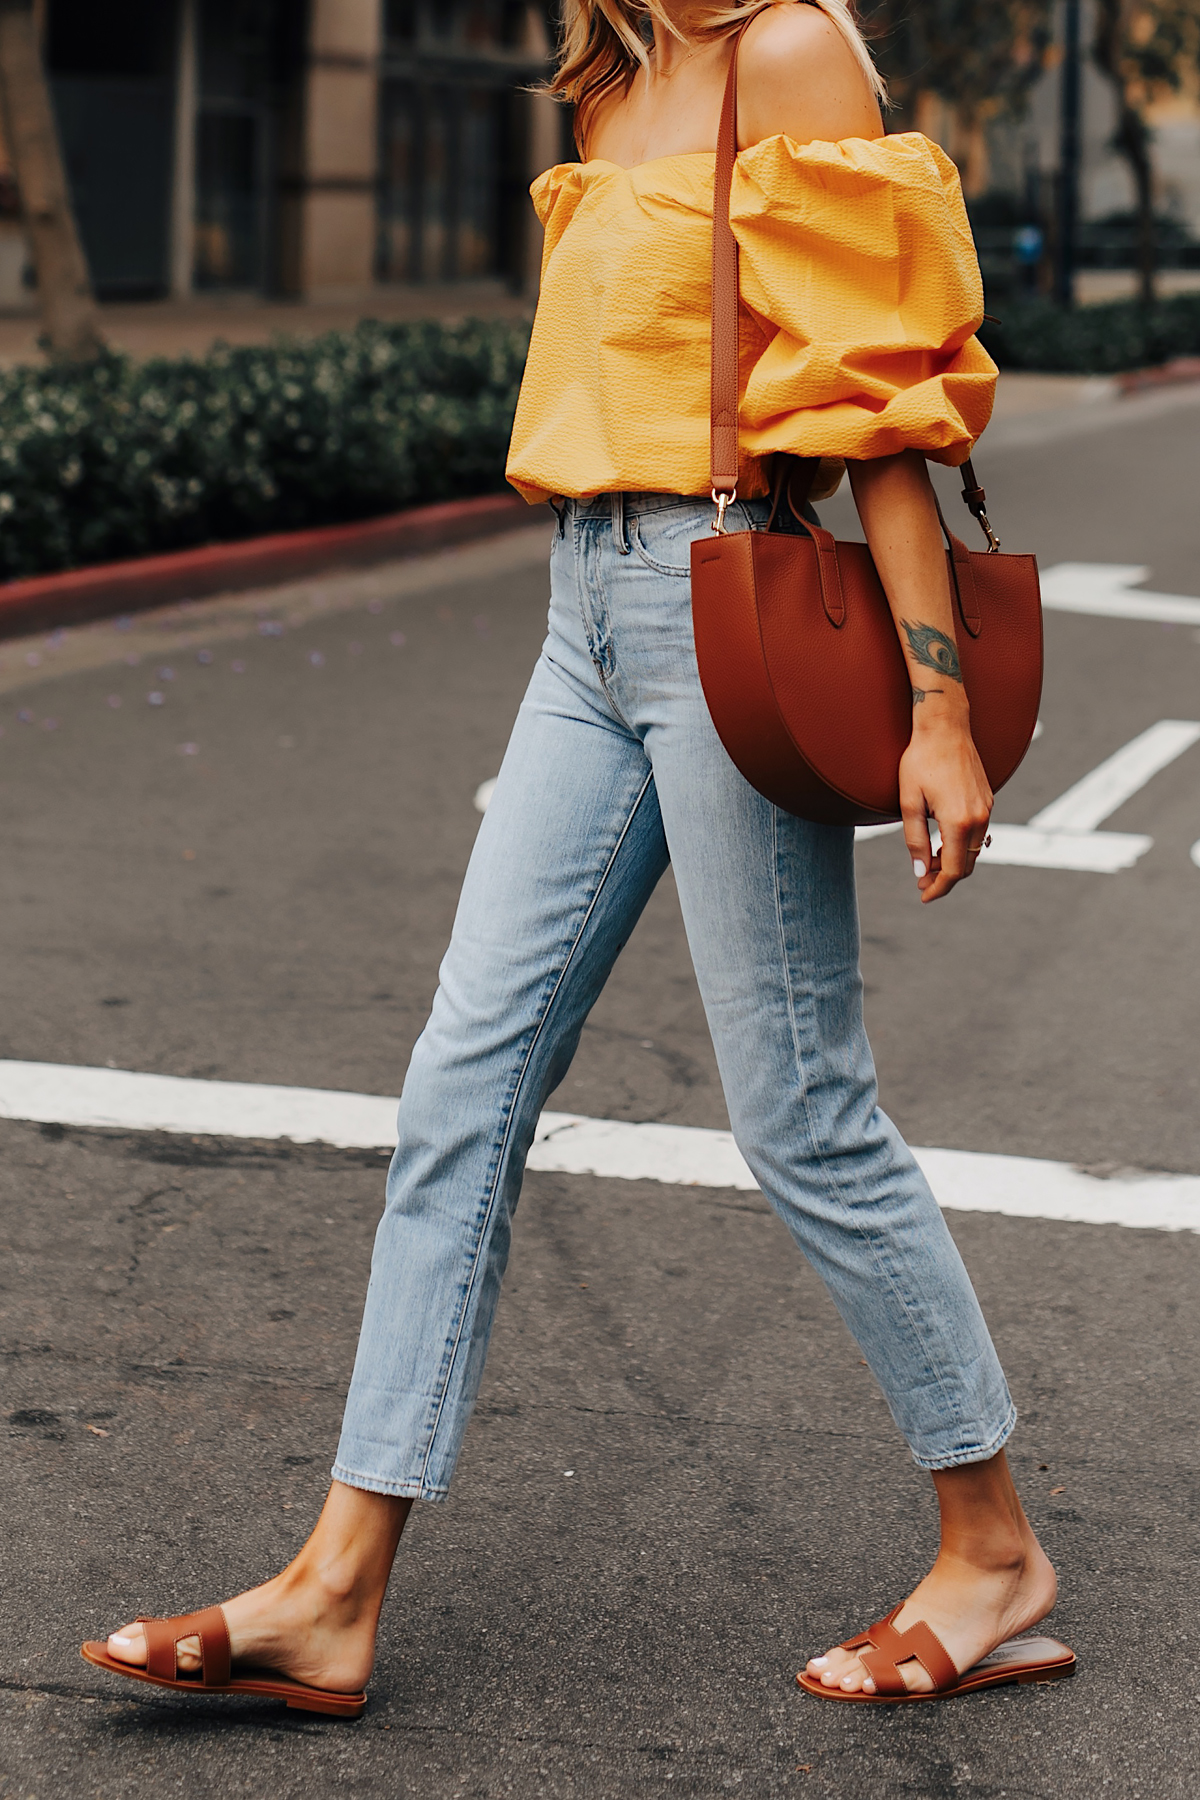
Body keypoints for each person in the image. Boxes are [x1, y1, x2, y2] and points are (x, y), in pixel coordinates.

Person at [83, 0, 1073, 1711]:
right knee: (462, 1083)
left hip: (731, 606)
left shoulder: (790, 54)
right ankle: (333, 1589)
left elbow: (883, 411)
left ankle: (991, 1548)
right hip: (584, 622)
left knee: (800, 1110)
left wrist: (937, 707)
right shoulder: (615, 71)